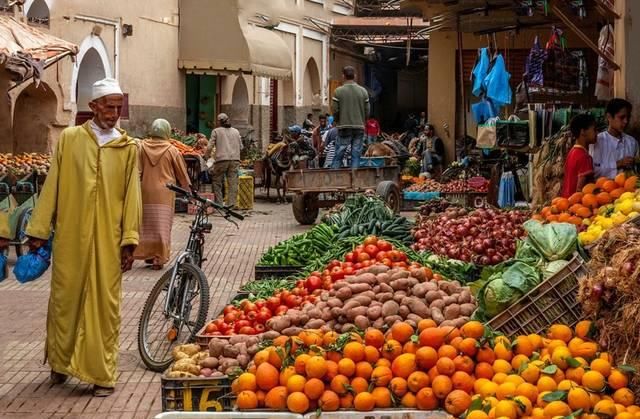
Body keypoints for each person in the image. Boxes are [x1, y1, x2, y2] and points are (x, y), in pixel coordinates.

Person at [25, 78, 141, 397]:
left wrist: (129, 240)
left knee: (105, 306)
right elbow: (53, 186)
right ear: (93, 107)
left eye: (119, 107)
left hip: (108, 240)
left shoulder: (128, 147)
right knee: (65, 300)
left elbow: (132, 195)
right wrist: (38, 229)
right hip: (70, 238)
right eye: (109, 106)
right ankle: (60, 364)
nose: (115, 113)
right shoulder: (71, 140)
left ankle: (102, 374)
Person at [134, 119, 191, 270]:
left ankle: (149, 254)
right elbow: (182, 174)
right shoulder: (172, 150)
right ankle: (158, 258)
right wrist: (188, 191)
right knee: (162, 226)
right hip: (165, 193)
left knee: (146, 225)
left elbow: (137, 171)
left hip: (145, 191)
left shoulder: (141, 147)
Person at [332, 66, 370, 168]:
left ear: (343, 76)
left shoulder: (338, 91)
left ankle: (334, 178)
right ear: (355, 76)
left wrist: (337, 120)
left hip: (344, 127)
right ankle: (354, 177)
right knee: (356, 155)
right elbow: (367, 111)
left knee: (339, 154)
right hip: (359, 127)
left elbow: (335, 110)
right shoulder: (363, 91)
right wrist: (362, 120)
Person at [590, 98, 638, 179]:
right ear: (609, 117)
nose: (626, 121)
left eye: (628, 117)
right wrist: (618, 163)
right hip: (603, 189)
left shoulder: (632, 142)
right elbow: (594, 171)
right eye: (622, 117)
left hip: (628, 189)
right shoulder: (598, 141)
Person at [206, 113, 243, 208]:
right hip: (235, 160)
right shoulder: (236, 131)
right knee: (232, 183)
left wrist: (206, 156)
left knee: (217, 181)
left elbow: (210, 146)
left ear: (219, 122)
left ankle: (218, 204)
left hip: (221, 160)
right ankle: (230, 205)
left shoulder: (216, 131)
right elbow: (241, 147)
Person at [561, 113, 597, 197]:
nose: (597, 133)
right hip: (575, 204)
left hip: (565, 200)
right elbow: (580, 189)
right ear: (583, 132)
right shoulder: (585, 157)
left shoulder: (572, 152)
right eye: (594, 130)